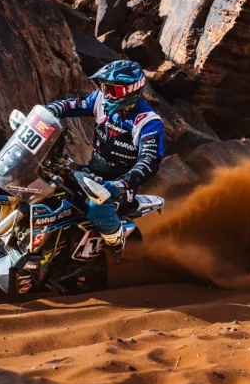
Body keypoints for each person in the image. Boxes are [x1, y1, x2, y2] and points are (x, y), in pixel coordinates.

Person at [44, 60, 163, 257]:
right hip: (92, 173)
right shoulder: (100, 99)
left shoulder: (148, 121)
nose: (106, 93)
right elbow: (72, 105)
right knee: (52, 183)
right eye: (104, 87)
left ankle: (117, 244)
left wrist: (123, 183)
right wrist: (47, 111)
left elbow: (149, 161)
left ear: (130, 90)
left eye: (112, 90)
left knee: (96, 207)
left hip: (120, 185)